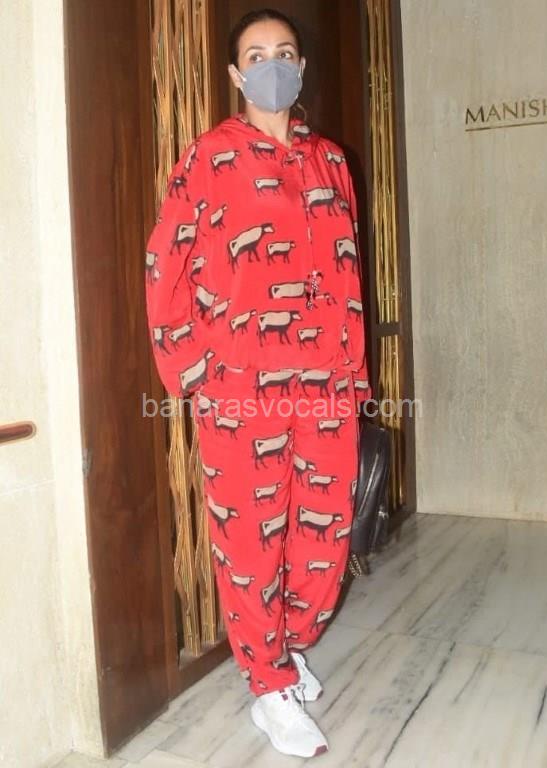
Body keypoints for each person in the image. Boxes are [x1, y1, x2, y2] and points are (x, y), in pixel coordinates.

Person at [144, 7, 372, 759]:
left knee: (324, 530)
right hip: (242, 386)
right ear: (237, 75)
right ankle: (268, 683)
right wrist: (194, 369)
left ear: (299, 67)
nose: (272, 64)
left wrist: (354, 374)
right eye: (256, 55)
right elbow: (166, 263)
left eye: (284, 52)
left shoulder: (331, 161)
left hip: (326, 383)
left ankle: (289, 644)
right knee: (250, 538)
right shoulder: (210, 157)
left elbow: (349, 275)